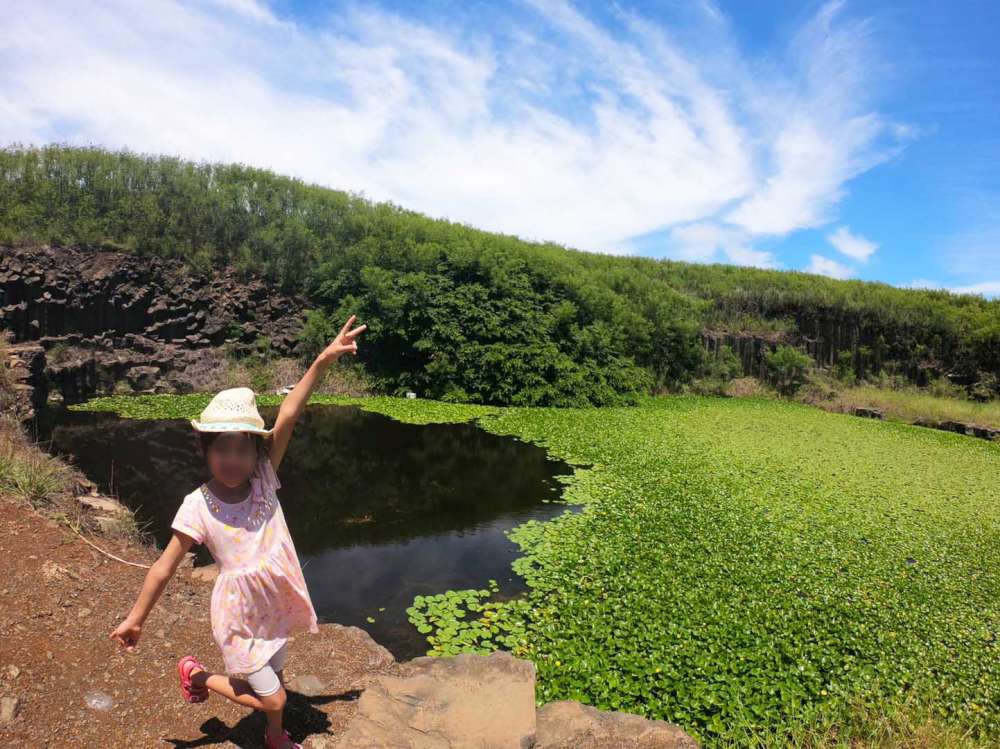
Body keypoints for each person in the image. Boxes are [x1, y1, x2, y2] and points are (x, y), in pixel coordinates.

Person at [110, 315, 367, 749]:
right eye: (221, 449)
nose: (232, 459)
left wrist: (322, 360)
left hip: (275, 601)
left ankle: (275, 737)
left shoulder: (264, 478)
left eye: (241, 449)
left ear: (256, 452)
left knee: (276, 677)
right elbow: (163, 567)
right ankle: (199, 675)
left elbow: (289, 411)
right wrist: (136, 619)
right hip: (240, 615)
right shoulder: (197, 505)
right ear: (204, 451)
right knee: (273, 696)